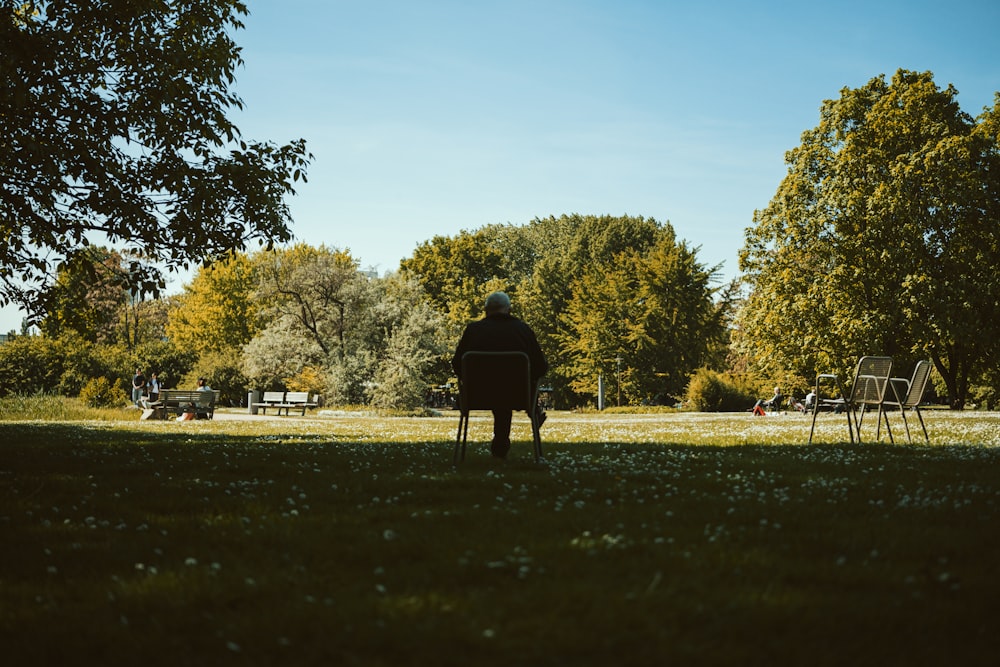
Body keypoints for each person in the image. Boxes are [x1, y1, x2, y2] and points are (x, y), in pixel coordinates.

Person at [452, 291, 548, 459]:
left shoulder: (473, 331)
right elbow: (541, 367)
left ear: (486, 310)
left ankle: (499, 446)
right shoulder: (523, 330)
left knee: (498, 392)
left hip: (477, 395)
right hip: (519, 396)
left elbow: (457, 365)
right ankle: (534, 413)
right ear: (509, 310)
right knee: (506, 392)